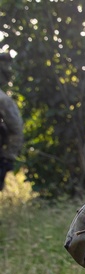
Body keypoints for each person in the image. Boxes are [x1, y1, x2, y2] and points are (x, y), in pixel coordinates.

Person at [0, 52, 24, 191]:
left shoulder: (3, 100)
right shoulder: (3, 100)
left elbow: (16, 129)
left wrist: (6, 159)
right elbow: (16, 130)